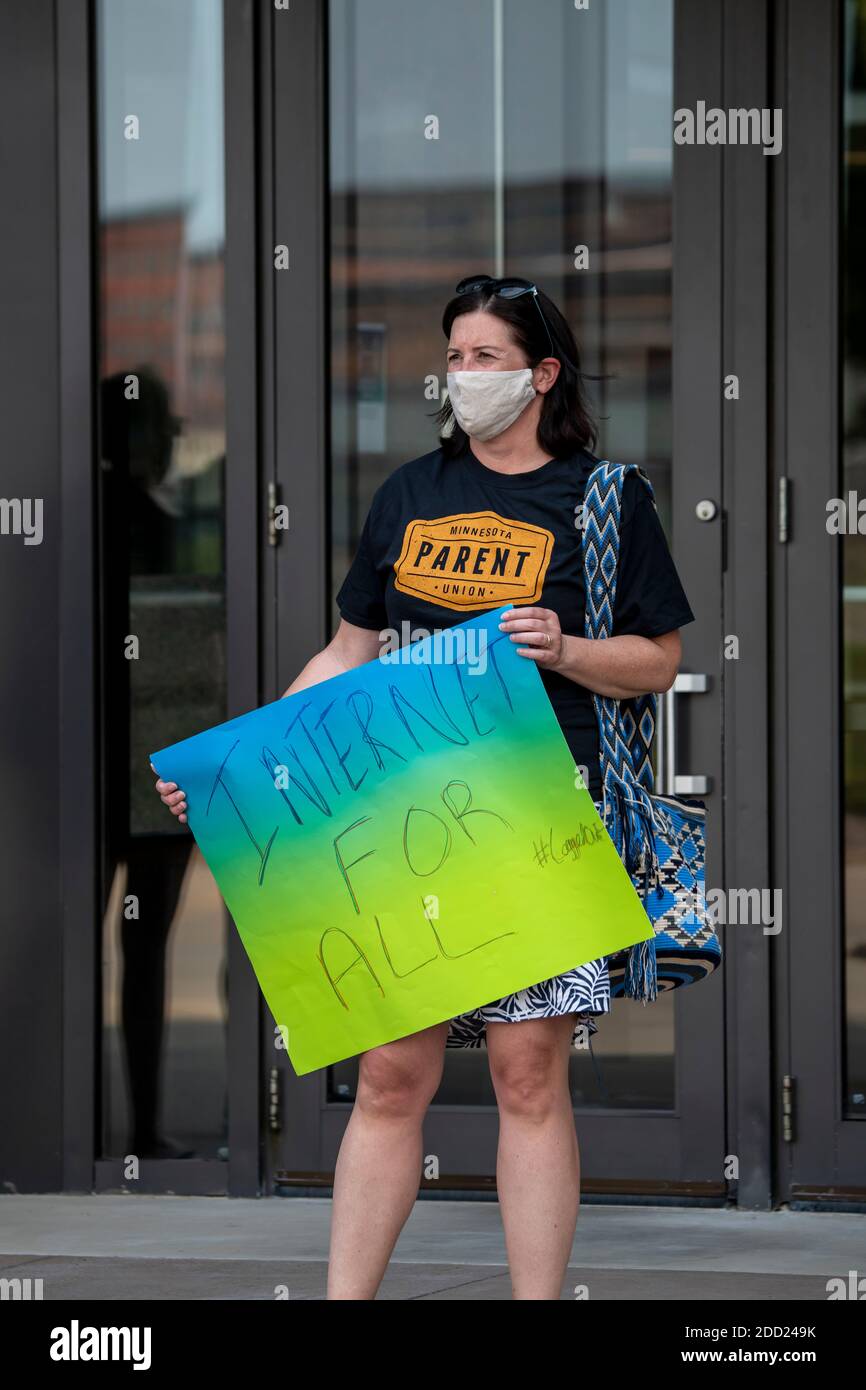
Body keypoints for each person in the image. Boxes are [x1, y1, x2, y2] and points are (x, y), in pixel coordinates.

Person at [154, 273, 695, 1298]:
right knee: (391, 1077)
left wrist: (569, 647)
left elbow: (658, 659)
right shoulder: (408, 491)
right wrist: (245, 763)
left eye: (484, 356)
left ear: (540, 374)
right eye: (452, 356)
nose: (462, 375)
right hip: (402, 817)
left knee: (524, 1077)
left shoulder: (602, 498)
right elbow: (347, 651)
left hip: (535, 820)